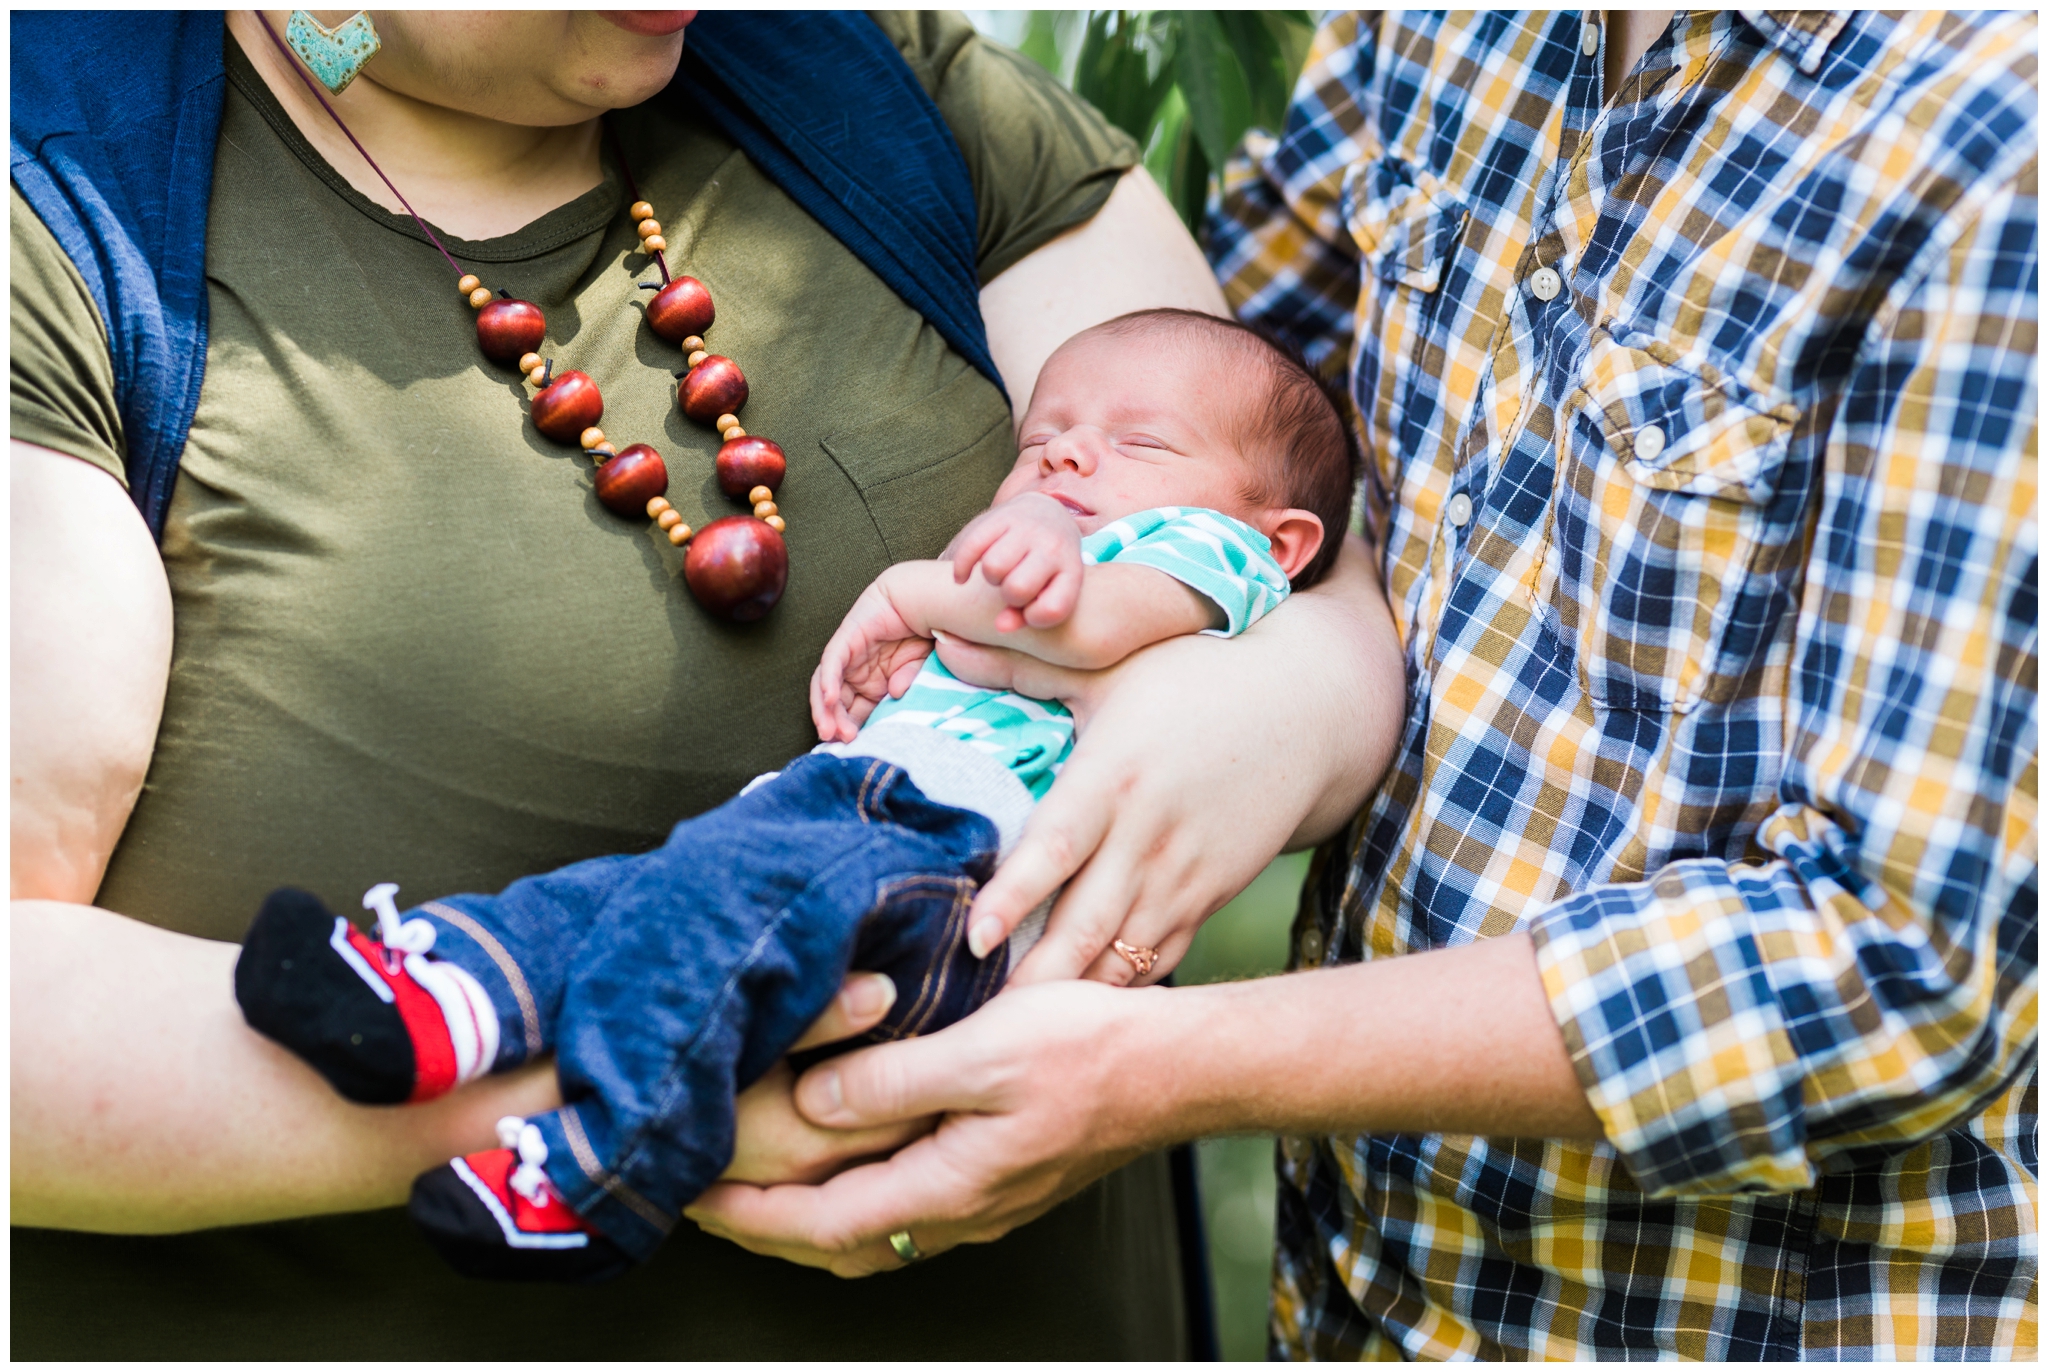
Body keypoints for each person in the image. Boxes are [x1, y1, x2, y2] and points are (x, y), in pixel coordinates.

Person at [11, 11, 1404, 1359]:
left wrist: (1269, 718)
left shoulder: (872, 78)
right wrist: (676, 1075)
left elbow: (1290, 530)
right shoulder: (65, 204)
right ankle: (468, 1011)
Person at [684, 10, 2039, 1360]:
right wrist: (1252, 665)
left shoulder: (1987, 134)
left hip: (1746, 1316)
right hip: (1357, 1294)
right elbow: (1257, 422)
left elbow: (1896, 966)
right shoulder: (1442, 27)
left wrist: (1153, 1070)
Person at [234, 307, 1360, 1283]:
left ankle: (606, 1168)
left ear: (1283, 535)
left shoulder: (1216, 561)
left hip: (962, 871)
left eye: (1136, 443)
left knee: (715, 910)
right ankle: (445, 991)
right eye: (1044, 441)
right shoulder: (1069, 534)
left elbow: (1080, 625)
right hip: (869, 817)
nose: (1066, 463)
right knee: (650, 894)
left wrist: (914, 589)